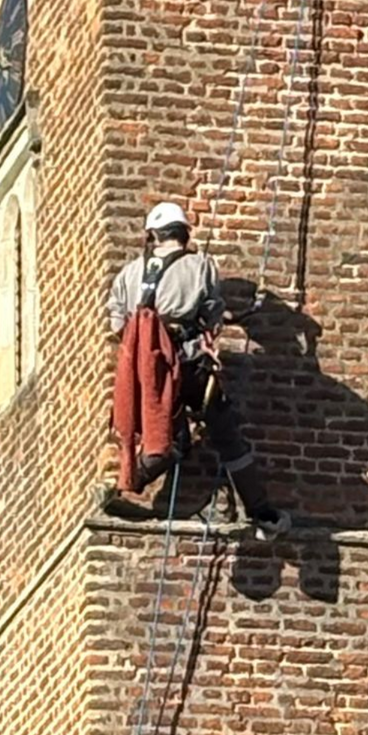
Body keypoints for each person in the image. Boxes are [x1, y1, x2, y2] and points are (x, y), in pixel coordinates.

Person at [104, 202, 290, 538]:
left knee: (169, 434)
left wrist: (147, 340)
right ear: (184, 233)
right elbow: (211, 312)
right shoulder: (199, 265)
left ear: (152, 236)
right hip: (186, 363)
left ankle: (120, 485)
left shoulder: (128, 273)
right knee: (224, 429)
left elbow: (118, 321)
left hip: (143, 369)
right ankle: (261, 511)